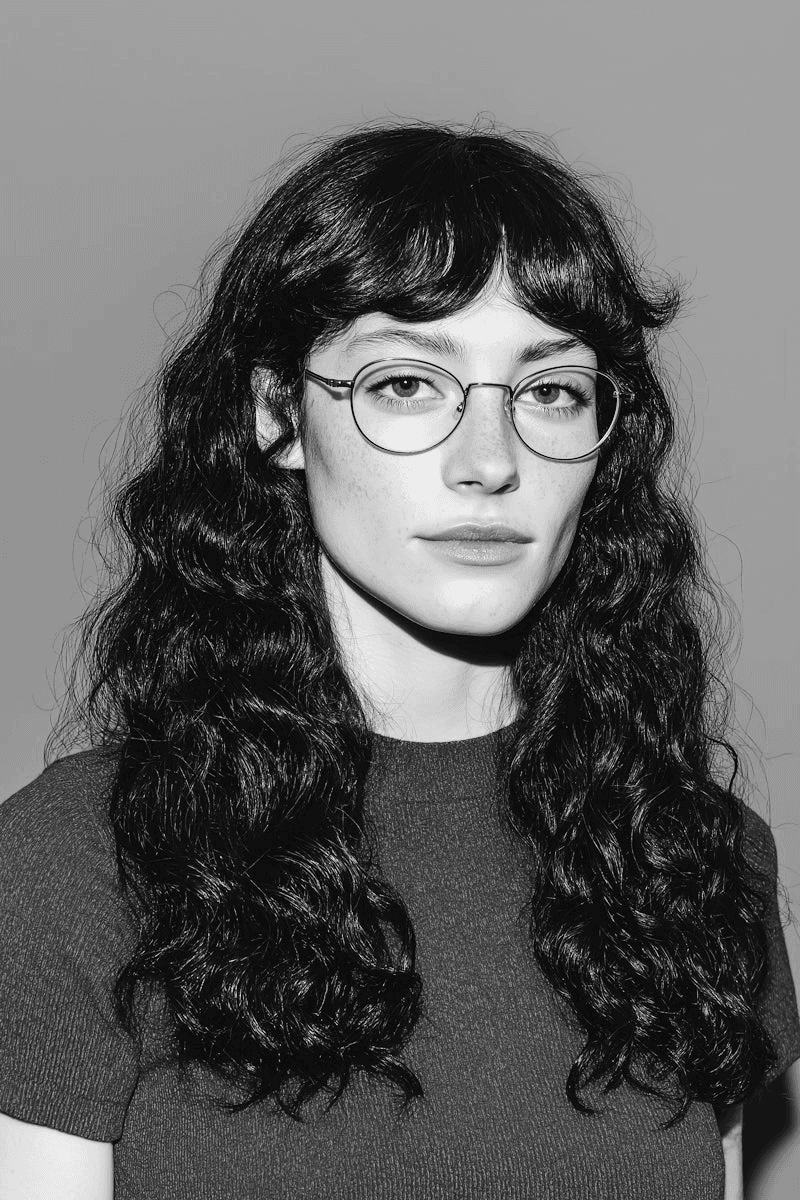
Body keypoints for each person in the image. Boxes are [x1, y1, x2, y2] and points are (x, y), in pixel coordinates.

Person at [0, 122, 798, 1200]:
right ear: (278, 414)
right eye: (404, 384)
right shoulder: (76, 860)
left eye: (549, 391)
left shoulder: (695, 862)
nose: (488, 462)